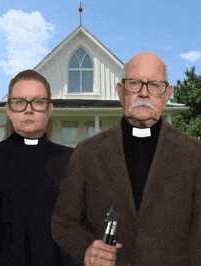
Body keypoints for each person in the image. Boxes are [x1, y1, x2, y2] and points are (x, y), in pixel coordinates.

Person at [51, 52, 201, 266]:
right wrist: (86, 250)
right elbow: (63, 222)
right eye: (134, 83)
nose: (144, 93)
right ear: (121, 92)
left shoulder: (194, 154)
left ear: (167, 94)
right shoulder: (87, 152)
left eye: (154, 85)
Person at [0, 70, 74, 265]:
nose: (28, 110)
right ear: (8, 109)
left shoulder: (72, 160)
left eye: (38, 102)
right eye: (19, 102)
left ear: (49, 109)